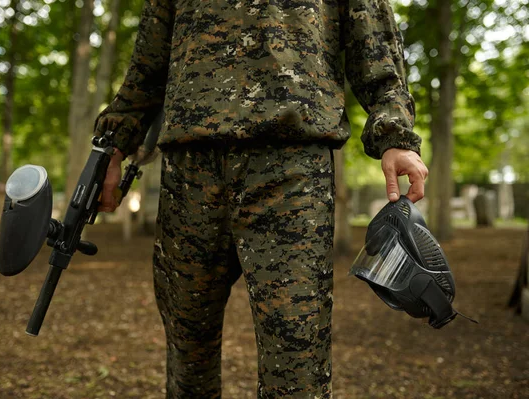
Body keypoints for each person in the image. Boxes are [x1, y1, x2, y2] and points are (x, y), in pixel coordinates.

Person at [94, 0, 428, 397]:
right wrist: (112, 146)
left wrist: (395, 135)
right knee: (187, 347)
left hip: (290, 167)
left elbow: (374, 43)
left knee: (297, 355)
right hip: (190, 168)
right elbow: (147, 65)